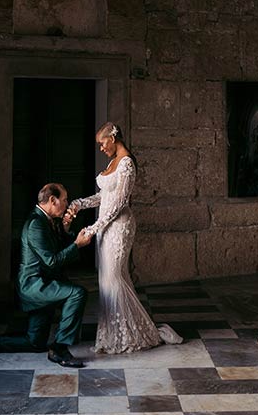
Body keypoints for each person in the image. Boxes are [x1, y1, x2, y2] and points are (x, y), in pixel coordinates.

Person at [67, 122, 182, 354]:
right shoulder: (112, 162)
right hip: (106, 227)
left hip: (119, 226)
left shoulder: (127, 163)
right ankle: (112, 334)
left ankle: (133, 333)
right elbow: (104, 196)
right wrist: (80, 204)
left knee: (114, 278)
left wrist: (92, 228)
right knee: (107, 281)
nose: (101, 148)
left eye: (102, 143)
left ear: (113, 138)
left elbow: (119, 204)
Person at [0, 182, 93, 368]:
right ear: (52, 200)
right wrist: (77, 245)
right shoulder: (35, 224)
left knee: (35, 343)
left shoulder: (47, 220)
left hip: (45, 282)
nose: (66, 204)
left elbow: (56, 249)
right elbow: (52, 261)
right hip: (35, 285)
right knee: (77, 293)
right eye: (64, 200)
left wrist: (66, 228)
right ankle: (60, 349)